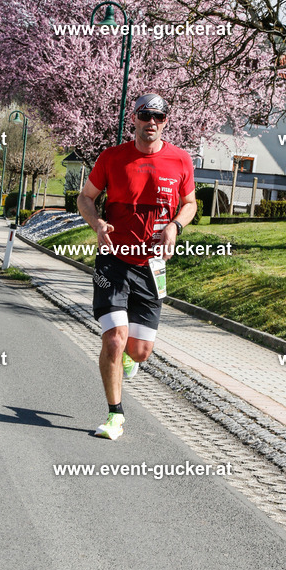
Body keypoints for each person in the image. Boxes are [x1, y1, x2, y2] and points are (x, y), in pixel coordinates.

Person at [77, 93, 197, 440]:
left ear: (166, 121)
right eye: (145, 116)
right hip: (113, 260)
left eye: (159, 117)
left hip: (152, 266)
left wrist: (175, 226)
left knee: (139, 351)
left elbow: (190, 203)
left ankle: (131, 358)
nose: (151, 122)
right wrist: (97, 224)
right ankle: (115, 415)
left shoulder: (180, 159)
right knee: (115, 339)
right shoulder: (112, 157)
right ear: (134, 119)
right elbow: (85, 197)